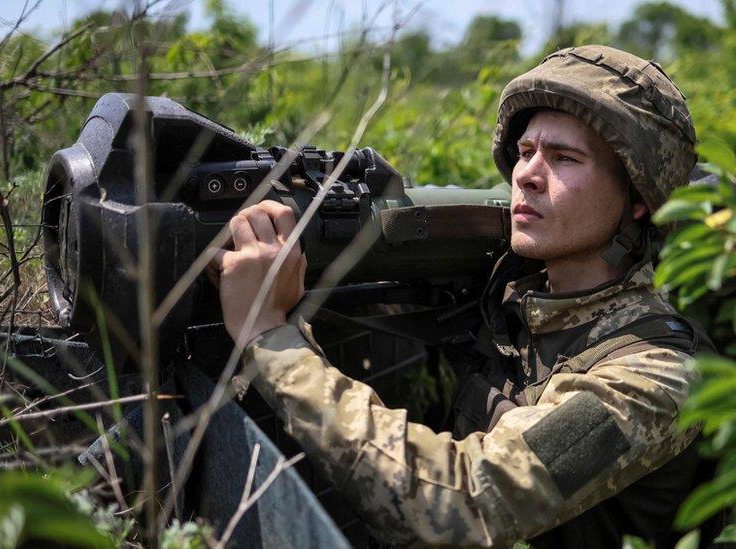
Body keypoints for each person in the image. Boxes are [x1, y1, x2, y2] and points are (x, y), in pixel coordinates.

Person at [209, 45, 710, 547]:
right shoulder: (512, 301)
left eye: (564, 158)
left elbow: (455, 504)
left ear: (640, 199)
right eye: (526, 152)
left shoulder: (655, 376)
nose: (528, 175)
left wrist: (270, 336)